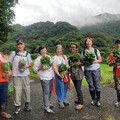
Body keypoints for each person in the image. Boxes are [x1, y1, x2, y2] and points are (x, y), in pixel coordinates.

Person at [8, 39, 32, 115]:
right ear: (17, 46)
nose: (20, 46)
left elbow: (30, 63)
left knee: (27, 89)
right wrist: (8, 70)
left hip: (25, 75)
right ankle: (17, 106)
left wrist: (26, 66)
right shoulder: (13, 53)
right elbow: (8, 62)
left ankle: (27, 104)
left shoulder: (27, 54)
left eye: (21, 44)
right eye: (18, 44)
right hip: (16, 75)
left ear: (24, 45)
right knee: (17, 91)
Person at [33, 46, 54, 114]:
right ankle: (46, 108)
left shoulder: (49, 57)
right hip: (44, 78)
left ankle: (48, 102)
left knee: (50, 91)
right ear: (40, 51)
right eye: (42, 50)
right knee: (46, 92)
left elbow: (51, 65)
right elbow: (34, 70)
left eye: (45, 49)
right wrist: (41, 67)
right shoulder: (38, 59)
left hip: (51, 76)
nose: (44, 51)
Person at [82, 37, 102, 107]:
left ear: (92, 43)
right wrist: (86, 61)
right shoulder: (84, 52)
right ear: (85, 43)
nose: (88, 42)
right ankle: (93, 99)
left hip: (96, 69)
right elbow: (83, 61)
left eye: (90, 41)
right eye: (87, 41)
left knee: (97, 85)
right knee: (90, 85)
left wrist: (93, 61)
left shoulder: (96, 50)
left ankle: (98, 100)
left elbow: (100, 60)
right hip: (87, 70)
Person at [52, 44, 70, 109]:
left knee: (65, 86)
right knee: (59, 87)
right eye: (57, 49)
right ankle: (60, 101)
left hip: (65, 74)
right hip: (58, 75)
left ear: (62, 50)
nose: (59, 50)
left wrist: (65, 71)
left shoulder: (64, 56)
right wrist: (59, 74)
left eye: (60, 49)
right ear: (56, 50)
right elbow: (54, 66)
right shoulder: (54, 57)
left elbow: (67, 64)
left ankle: (64, 99)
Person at [69, 43, 84, 110]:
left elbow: (84, 63)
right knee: (76, 88)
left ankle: (80, 103)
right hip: (73, 75)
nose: (72, 48)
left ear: (76, 49)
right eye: (71, 47)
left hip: (79, 75)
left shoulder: (79, 55)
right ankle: (78, 100)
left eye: (74, 47)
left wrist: (80, 63)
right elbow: (70, 66)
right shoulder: (70, 57)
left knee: (78, 89)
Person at [108, 39, 120, 107]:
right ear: (115, 45)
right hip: (116, 73)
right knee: (118, 88)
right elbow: (109, 64)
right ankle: (118, 101)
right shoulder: (112, 54)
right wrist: (112, 62)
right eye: (116, 44)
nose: (118, 45)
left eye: (119, 43)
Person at [0, 54, 12, 118]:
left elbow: (9, 69)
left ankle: (3, 112)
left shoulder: (2, 56)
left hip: (3, 81)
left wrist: (9, 73)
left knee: (4, 98)